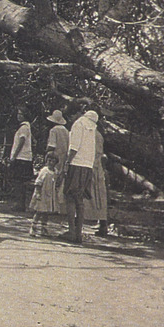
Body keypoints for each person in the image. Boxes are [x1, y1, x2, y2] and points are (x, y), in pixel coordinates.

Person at [60, 102, 98, 245]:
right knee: (80, 199)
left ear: (75, 114)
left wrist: (66, 163)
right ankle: (78, 233)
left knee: (70, 197)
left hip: (76, 163)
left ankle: (71, 231)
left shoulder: (78, 124)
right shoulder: (92, 125)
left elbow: (74, 147)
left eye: (70, 116)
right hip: (88, 165)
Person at [83, 116, 109, 237]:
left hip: (94, 167)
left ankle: (102, 224)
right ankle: (101, 223)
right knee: (96, 196)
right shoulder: (94, 134)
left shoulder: (95, 135)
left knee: (97, 196)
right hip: (93, 166)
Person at [9, 107, 34, 212]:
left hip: (22, 157)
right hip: (25, 157)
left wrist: (14, 155)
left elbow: (22, 140)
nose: (18, 116)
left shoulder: (24, 127)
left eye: (20, 114)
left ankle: (19, 204)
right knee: (21, 182)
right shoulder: (26, 127)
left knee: (18, 181)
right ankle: (20, 203)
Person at [44, 109, 69, 211]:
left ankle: (50, 206)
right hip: (64, 158)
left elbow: (52, 145)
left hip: (54, 157)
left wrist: (46, 154)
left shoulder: (53, 130)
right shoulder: (66, 131)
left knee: (51, 180)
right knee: (61, 180)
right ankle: (59, 206)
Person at [29, 153, 59, 237]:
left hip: (50, 194)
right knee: (39, 211)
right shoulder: (44, 171)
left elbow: (57, 182)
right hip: (42, 193)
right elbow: (38, 182)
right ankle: (33, 227)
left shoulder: (55, 172)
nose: (51, 163)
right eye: (49, 161)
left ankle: (43, 228)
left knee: (46, 212)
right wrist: (38, 193)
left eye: (53, 161)